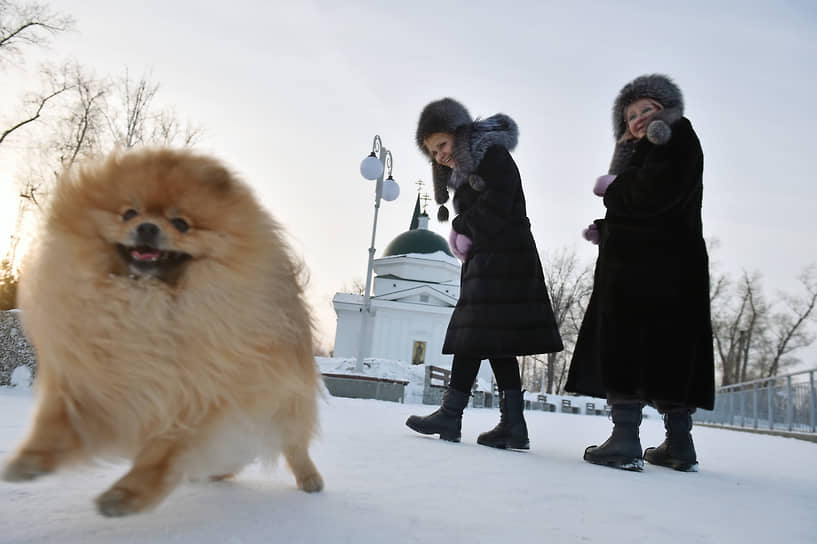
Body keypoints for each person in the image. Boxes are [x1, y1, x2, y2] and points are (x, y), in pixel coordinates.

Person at [566, 74, 715, 472]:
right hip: (671, 264)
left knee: (626, 343)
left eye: (645, 110)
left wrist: (613, 191)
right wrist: (608, 227)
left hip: (643, 270)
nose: (637, 119)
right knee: (671, 351)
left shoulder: (674, 135)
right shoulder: (655, 148)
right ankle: (679, 445)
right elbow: (656, 202)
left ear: (665, 110)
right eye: (630, 115)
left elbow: (649, 194)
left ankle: (625, 438)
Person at [405, 98, 564, 449]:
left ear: (457, 133)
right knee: (491, 338)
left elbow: (498, 202)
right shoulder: (466, 169)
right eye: (432, 153)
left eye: (442, 145)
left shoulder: (491, 155)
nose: (439, 156)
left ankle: (454, 413)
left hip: (505, 257)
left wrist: (462, 226)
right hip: (490, 258)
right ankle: (510, 424)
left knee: (478, 333)